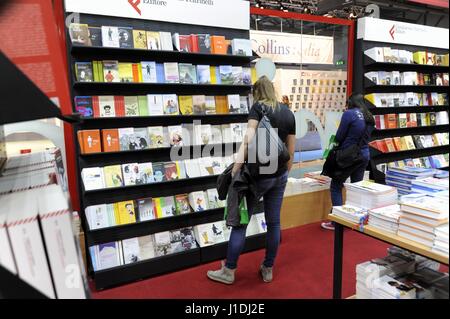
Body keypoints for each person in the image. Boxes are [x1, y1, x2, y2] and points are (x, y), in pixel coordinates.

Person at [207, 76, 296, 285]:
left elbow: (247, 142)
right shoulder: (288, 113)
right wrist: (282, 175)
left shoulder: (258, 108)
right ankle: (268, 267)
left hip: (257, 177)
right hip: (279, 175)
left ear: (257, 92)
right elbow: (291, 151)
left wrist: (233, 172)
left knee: (241, 223)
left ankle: (229, 270)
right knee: (274, 223)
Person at [321, 93, 375, 231]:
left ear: (351, 102)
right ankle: (356, 220)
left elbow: (339, 136)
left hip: (348, 156)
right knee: (357, 188)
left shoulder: (349, 114)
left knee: (336, 185)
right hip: (363, 154)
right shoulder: (369, 116)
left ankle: (338, 222)